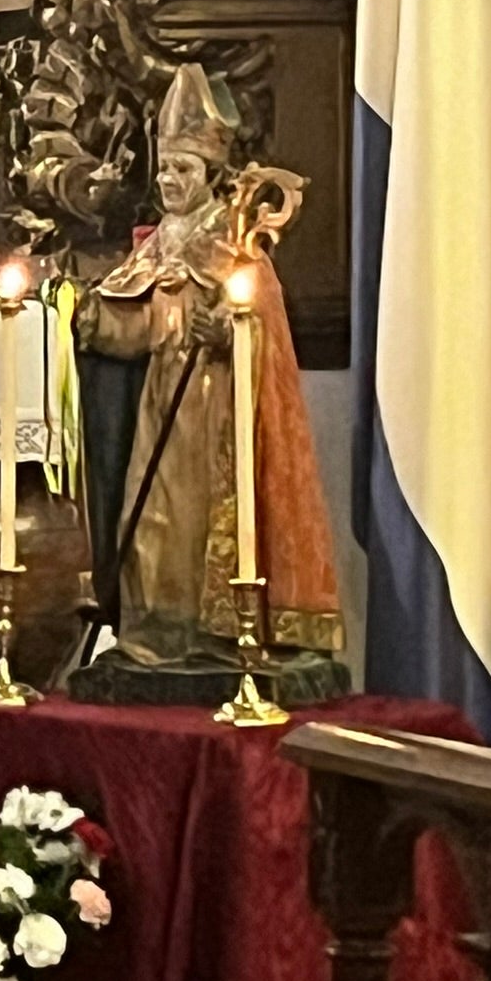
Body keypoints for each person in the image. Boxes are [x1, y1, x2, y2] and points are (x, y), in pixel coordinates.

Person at [75, 63, 343, 668]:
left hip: (218, 406)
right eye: (164, 167)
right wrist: (93, 321)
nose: (170, 179)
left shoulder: (233, 241)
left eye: (184, 168)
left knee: (205, 521)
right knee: (152, 519)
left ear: (212, 175)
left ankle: (217, 632)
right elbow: (138, 321)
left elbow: (262, 315)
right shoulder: (158, 242)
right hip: (161, 401)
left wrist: (225, 327)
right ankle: (157, 633)